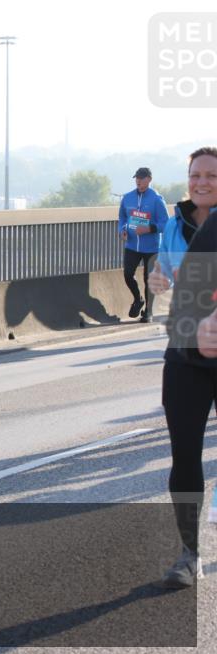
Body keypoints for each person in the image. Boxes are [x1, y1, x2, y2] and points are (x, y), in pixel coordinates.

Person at [147, 146, 217, 588]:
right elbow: (166, 269)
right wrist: (159, 276)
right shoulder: (176, 223)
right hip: (186, 354)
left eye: (211, 175)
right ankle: (190, 553)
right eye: (196, 174)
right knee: (185, 456)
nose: (202, 182)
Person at [118, 167, 169, 322]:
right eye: (136, 178)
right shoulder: (127, 198)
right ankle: (138, 299)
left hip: (151, 247)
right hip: (132, 245)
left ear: (149, 179)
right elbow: (122, 218)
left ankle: (148, 312)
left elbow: (165, 224)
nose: (138, 181)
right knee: (127, 274)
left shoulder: (157, 200)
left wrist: (149, 229)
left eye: (141, 178)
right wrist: (123, 230)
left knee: (149, 279)